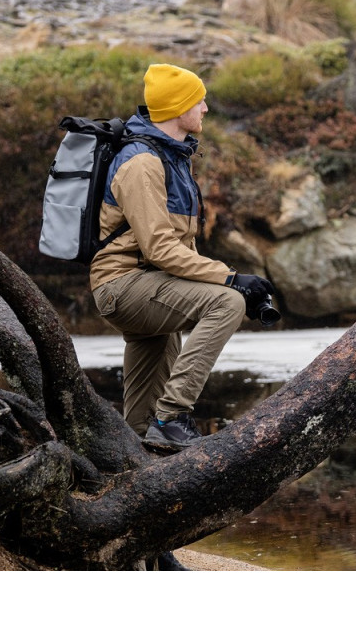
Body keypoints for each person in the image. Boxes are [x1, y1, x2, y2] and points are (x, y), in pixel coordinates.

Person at [90, 62, 274, 448]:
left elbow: (179, 246)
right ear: (178, 108)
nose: (205, 108)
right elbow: (160, 249)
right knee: (226, 303)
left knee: (141, 427)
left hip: (147, 283)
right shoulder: (142, 163)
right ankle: (172, 414)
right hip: (123, 286)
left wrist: (224, 277)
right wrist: (230, 279)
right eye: (199, 101)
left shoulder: (173, 156)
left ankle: (138, 452)